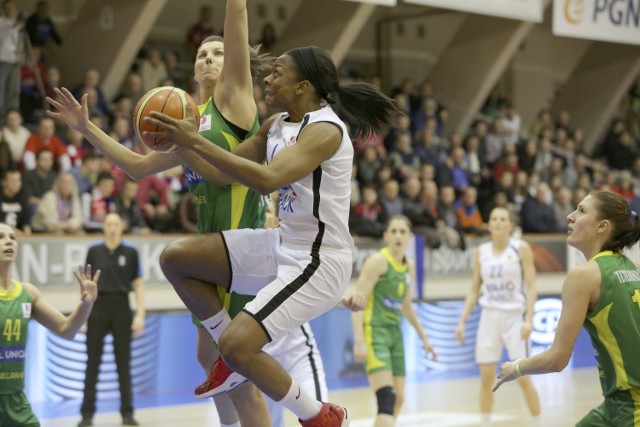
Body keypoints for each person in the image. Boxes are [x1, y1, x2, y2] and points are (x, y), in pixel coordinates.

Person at [46, 1, 330, 425]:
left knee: (240, 374)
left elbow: (235, 22)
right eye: (202, 55)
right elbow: (136, 167)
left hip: (240, 256)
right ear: (193, 73)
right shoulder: (187, 127)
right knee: (208, 357)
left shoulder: (232, 101)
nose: (210, 58)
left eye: (218, 53)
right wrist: (87, 127)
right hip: (206, 264)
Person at [145, 41, 401, 425]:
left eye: (278, 71)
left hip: (318, 261)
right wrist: (184, 144)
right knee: (176, 258)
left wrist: (194, 139)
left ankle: (319, 415)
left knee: (236, 345)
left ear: (303, 86)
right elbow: (218, 174)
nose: (267, 77)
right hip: (282, 245)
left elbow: (267, 181)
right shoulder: (276, 125)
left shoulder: (327, 130)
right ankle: (229, 358)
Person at [494, 190, 640, 426]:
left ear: (602, 226)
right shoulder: (634, 267)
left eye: (581, 211)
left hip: (631, 407)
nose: (569, 217)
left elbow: (557, 359)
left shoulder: (584, 276)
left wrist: (516, 367)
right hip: (615, 405)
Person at [0, 222, 99, 427]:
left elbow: (67, 329)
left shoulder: (27, 293)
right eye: (1, 237)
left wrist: (86, 304)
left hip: (17, 405)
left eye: (12, 237)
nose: (8, 241)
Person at [455, 206, 541, 427]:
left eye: (503, 219)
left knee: (522, 379)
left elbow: (532, 286)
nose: (499, 222)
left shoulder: (521, 248)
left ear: (511, 225)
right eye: (494, 219)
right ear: (489, 224)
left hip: (515, 317)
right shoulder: (481, 252)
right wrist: (462, 321)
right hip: (489, 317)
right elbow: (474, 289)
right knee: (485, 380)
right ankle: (485, 423)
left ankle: (539, 422)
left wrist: (529, 319)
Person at [351, 215, 436, 426]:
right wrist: (359, 340)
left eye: (403, 232)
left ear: (410, 237)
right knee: (387, 398)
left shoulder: (410, 266)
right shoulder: (378, 261)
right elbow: (357, 301)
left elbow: (406, 306)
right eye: (394, 231)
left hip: (396, 334)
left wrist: (424, 338)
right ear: (386, 236)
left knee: (399, 399)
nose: (398, 236)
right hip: (376, 332)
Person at [78, 213, 145, 427]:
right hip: (97, 309)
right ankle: (87, 415)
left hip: (122, 308)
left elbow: (138, 285)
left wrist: (141, 314)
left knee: (123, 363)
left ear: (122, 226)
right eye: (109, 224)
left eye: (116, 224)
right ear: (103, 227)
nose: (113, 228)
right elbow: (85, 287)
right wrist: (83, 314)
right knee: (92, 363)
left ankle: (127, 413)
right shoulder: (94, 251)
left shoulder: (131, 252)